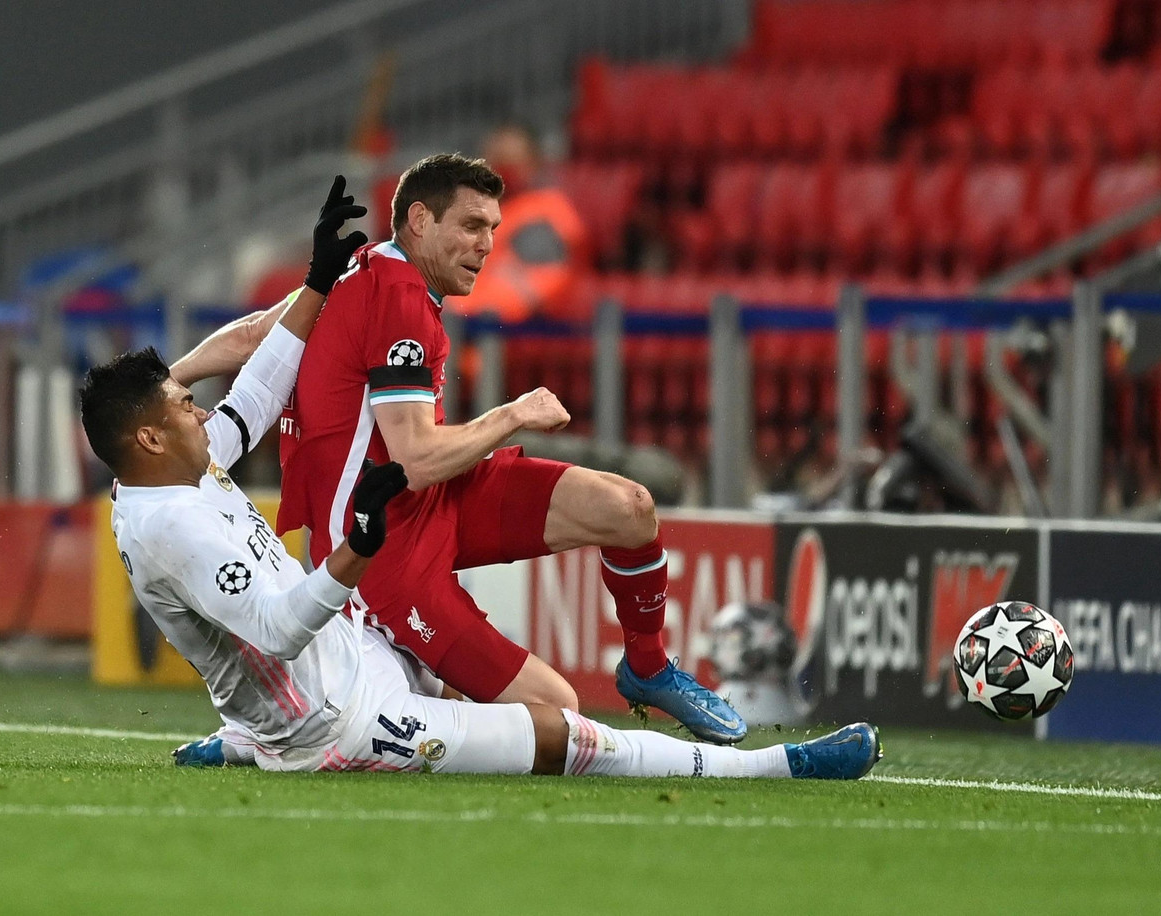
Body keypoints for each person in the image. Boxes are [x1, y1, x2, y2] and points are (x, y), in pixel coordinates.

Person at [81, 178, 882, 780]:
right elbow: (279, 628)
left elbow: (254, 394)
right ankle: (771, 767)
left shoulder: (181, 468)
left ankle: (246, 736)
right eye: (184, 408)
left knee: (610, 531)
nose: (202, 411)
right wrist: (358, 548)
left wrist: (317, 281)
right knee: (560, 732)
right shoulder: (172, 526)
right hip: (335, 720)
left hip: (351, 649)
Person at [276, 154, 747, 744]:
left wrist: (180, 377)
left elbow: (259, 333)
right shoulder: (396, 298)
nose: (487, 245)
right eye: (472, 226)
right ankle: (324, 711)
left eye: (493, 228)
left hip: (437, 501)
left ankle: (647, 669)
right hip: (382, 556)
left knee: (629, 509)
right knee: (558, 711)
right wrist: (514, 414)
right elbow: (414, 461)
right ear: (419, 220)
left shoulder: (368, 269)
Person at [452, 124, 589, 322]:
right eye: (494, 163)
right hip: (471, 325)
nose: (501, 173)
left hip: (525, 330)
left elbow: (537, 289)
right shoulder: (482, 211)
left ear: (534, 163)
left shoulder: (545, 214)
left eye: (510, 164)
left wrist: (454, 306)